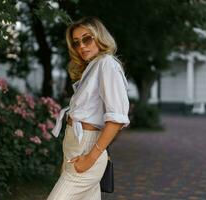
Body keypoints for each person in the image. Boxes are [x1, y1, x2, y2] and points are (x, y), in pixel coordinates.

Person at [47, 16, 130, 200]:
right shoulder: (93, 67)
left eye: (87, 39)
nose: (82, 46)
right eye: (77, 42)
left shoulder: (107, 64)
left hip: (87, 149)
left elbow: (116, 119)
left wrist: (90, 158)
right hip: (75, 147)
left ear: (99, 37)